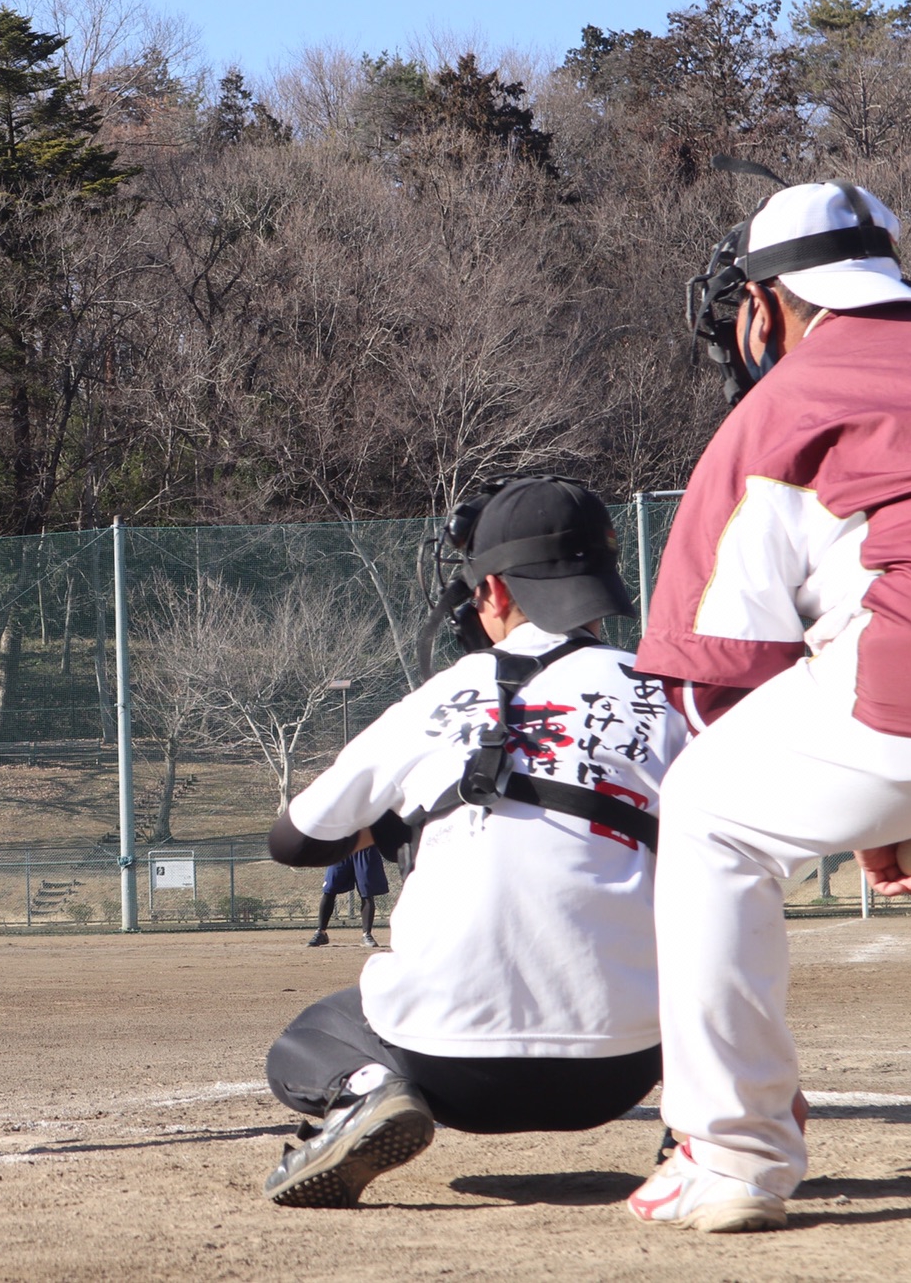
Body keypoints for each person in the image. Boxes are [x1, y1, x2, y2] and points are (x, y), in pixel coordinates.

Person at [625, 181, 911, 1233]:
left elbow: (715, 665)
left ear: (768, 302)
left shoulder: (782, 404)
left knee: (708, 811)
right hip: (909, 694)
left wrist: (868, 802)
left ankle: (733, 1156)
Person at [260, 477, 686, 1209]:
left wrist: (408, 814)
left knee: (315, 1034)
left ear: (490, 589)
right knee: (710, 946)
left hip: (448, 1070)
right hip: (620, 1068)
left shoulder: (436, 698)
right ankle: (703, 1132)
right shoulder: (667, 693)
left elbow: (296, 840)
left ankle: (370, 1090)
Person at [305, 847, 386, 947]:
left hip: (365, 847)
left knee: (366, 892)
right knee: (329, 889)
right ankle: (321, 932)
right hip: (342, 847)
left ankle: (367, 935)